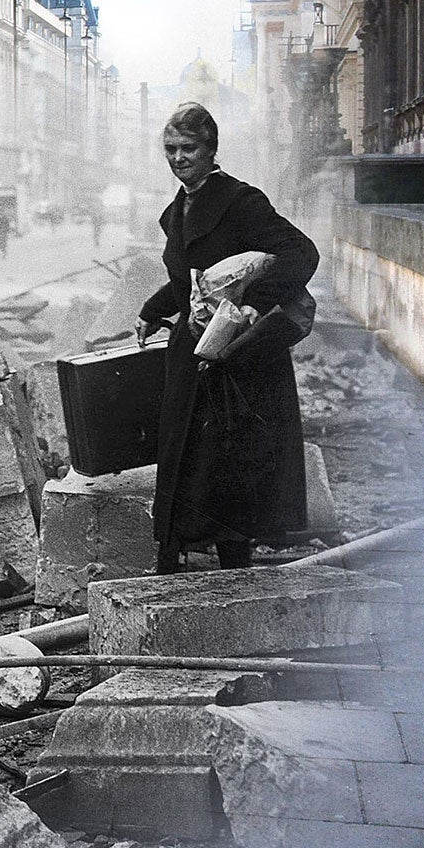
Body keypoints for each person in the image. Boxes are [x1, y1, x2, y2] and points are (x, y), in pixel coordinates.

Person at [136, 103, 319, 573]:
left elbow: (301, 253)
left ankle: (234, 570)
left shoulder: (241, 202)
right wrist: (154, 311)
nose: (178, 158)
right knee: (183, 459)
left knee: (229, 465)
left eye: (189, 149)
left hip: (238, 359)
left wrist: (257, 302)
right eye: (170, 149)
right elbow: (190, 281)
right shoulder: (176, 210)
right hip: (193, 354)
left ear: (211, 149)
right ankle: (169, 566)